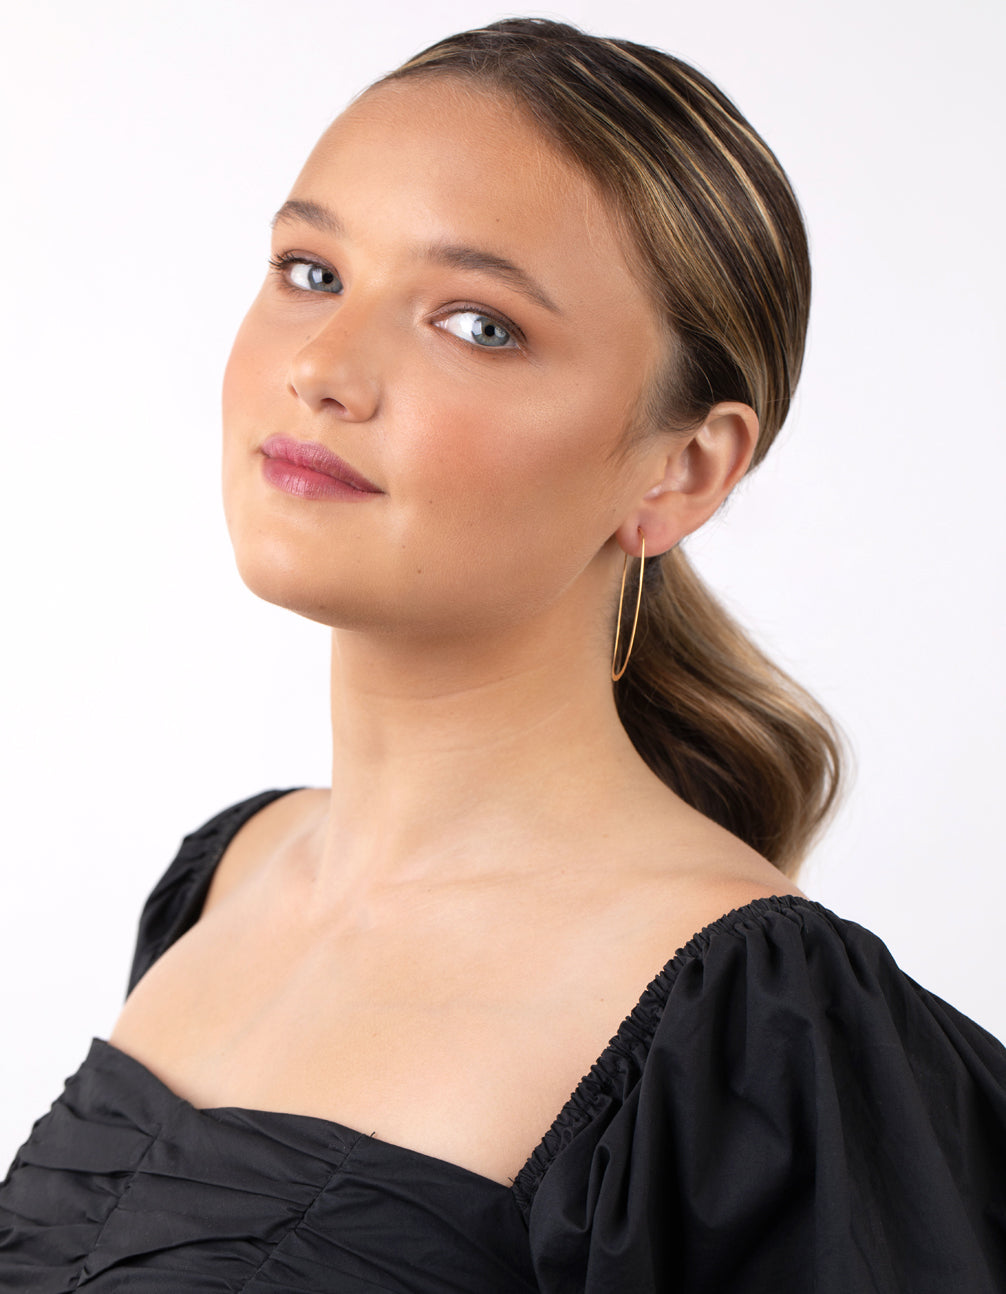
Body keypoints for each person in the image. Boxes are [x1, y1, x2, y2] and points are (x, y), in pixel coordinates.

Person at [1, 16, 1004, 1293]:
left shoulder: (753, 1028)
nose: (321, 367)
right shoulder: (228, 875)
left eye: (477, 324)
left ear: (682, 470)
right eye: (310, 269)